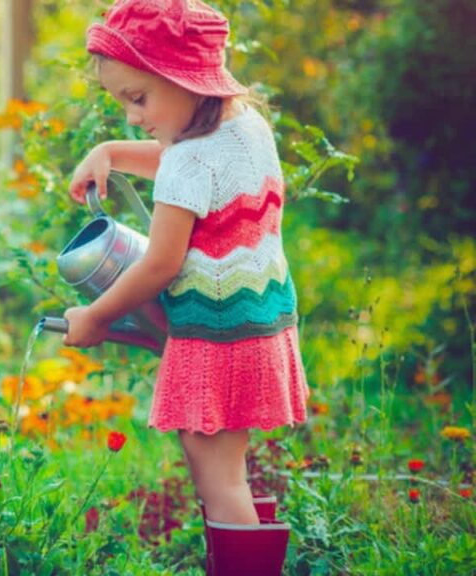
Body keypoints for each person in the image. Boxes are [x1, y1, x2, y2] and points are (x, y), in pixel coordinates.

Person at [61, 1, 309, 574]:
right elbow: (189, 166)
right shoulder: (245, 128)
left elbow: (159, 265)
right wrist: (110, 153)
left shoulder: (189, 160)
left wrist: (96, 316)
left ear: (184, 80)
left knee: (218, 481)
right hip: (260, 326)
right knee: (229, 474)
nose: (131, 117)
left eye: (138, 98)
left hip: (215, 340)